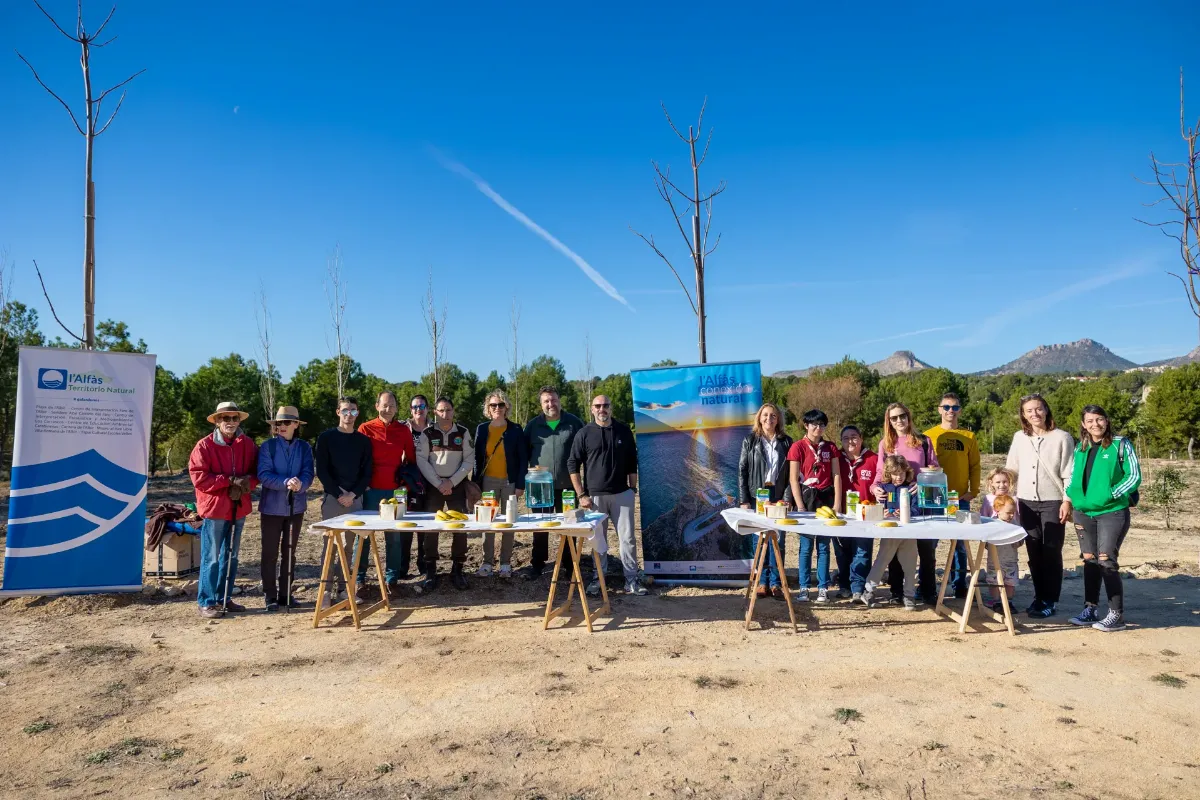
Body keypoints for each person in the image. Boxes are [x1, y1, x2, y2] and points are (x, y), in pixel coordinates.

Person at [1065, 405, 1141, 632]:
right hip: (1083, 512)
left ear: (1106, 421)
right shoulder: (1081, 447)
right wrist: (1072, 497)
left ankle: (1116, 615)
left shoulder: (1120, 444)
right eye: (1090, 421)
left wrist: (1111, 494)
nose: (1095, 424)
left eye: (1099, 420)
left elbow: (1134, 475)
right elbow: (1073, 477)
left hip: (1112, 512)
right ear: (1083, 424)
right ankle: (1090, 609)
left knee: (1106, 560)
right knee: (1089, 559)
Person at [1005, 393, 1074, 619]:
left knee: (1052, 551)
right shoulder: (1019, 438)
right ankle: (1039, 596)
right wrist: (1001, 488)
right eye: (1029, 411)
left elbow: (1069, 473)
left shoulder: (1062, 437)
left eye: (1038, 409)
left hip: (1053, 501)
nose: (1035, 414)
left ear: (1046, 410)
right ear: (1023, 415)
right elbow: (1012, 469)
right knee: (1034, 551)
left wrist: (1067, 500)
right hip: (1026, 502)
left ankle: (1051, 600)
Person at [188, 402, 259, 619]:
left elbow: (257, 471)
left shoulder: (247, 444)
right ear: (217, 421)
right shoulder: (204, 446)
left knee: (232, 555)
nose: (230, 422)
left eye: (234, 418)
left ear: (239, 421)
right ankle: (207, 602)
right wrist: (228, 481)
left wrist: (249, 483)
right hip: (216, 509)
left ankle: (224, 598)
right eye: (225, 418)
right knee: (212, 557)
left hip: (238, 508)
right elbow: (199, 477)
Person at [569, 394, 642, 596]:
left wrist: (632, 489)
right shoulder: (584, 434)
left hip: (622, 494)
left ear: (611, 408)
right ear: (592, 409)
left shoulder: (624, 431)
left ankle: (632, 580)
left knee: (627, 539)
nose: (602, 409)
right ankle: (598, 579)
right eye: (598, 406)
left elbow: (631, 462)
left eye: (605, 405)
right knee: (598, 540)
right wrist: (581, 494)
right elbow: (572, 464)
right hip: (594, 498)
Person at [870, 402, 939, 604]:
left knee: (926, 550)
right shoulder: (885, 444)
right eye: (894, 418)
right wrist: (876, 489)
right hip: (895, 506)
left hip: (922, 504)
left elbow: (935, 469)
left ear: (908, 417)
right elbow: (879, 475)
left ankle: (928, 591)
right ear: (888, 421)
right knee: (895, 549)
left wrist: (923, 482)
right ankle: (897, 592)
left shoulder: (924, 441)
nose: (899, 420)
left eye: (902, 416)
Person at [523, 386, 585, 579]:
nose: (551, 404)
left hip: (567, 486)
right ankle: (537, 565)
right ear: (541, 404)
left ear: (560, 400)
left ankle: (569, 565)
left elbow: (585, 452)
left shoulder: (574, 423)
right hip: (540, 487)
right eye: (546, 401)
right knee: (541, 527)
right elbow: (524, 453)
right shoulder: (533, 426)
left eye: (553, 400)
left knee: (568, 528)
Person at [315, 396, 373, 601]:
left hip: (355, 500)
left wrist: (353, 494)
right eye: (345, 410)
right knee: (330, 547)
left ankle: (343, 590)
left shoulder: (363, 441)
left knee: (348, 548)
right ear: (338, 412)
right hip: (332, 499)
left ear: (358, 413)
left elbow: (367, 472)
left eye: (354, 411)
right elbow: (321, 469)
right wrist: (338, 494)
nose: (350, 415)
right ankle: (325, 593)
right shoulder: (326, 438)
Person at [358, 391, 417, 592]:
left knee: (394, 536)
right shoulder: (365, 428)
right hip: (370, 490)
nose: (388, 409)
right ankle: (359, 579)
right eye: (385, 405)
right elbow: (358, 460)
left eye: (392, 405)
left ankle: (392, 579)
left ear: (396, 408)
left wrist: (405, 486)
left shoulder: (403, 430)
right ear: (377, 406)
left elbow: (411, 460)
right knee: (364, 535)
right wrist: (361, 484)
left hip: (394, 491)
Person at [256, 406, 314, 612]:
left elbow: (308, 472)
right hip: (271, 509)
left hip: (295, 508)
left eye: (286, 422)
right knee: (269, 553)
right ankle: (270, 596)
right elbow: (263, 474)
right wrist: (285, 482)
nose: (281, 426)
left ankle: (285, 594)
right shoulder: (267, 447)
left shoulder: (305, 448)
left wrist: (302, 485)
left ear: (296, 425)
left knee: (290, 552)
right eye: (278, 423)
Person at [415, 396, 475, 591]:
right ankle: (431, 572)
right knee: (432, 528)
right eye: (441, 410)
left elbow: (468, 461)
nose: (445, 414)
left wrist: (452, 481)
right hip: (435, 486)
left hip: (457, 485)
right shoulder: (427, 433)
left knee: (460, 527)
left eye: (448, 410)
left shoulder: (464, 433)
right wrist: (439, 483)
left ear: (453, 411)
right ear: (435, 412)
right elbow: (422, 460)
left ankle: (458, 570)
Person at [925, 392, 980, 599]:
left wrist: (973, 491)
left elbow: (975, 466)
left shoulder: (969, 437)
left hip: (959, 499)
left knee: (960, 545)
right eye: (946, 407)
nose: (950, 411)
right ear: (939, 409)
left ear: (960, 410)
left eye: (955, 407)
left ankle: (959, 585)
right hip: (934, 496)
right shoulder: (929, 435)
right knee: (930, 543)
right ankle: (927, 584)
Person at [737, 403, 794, 599]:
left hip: (778, 496)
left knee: (779, 540)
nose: (769, 419)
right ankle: (762, 582)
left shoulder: (787, 442)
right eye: (765, 415)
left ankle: (777, 583)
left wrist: (787, 498)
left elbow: (790, 474)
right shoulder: (750, 440)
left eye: (773, 416)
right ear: (759, 418)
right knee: (760, 540)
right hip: (757, 497)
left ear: (778, 419)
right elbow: (742, 471)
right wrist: (744, 499)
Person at [787, 409, 843, 603]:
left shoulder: (831, 447)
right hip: (807, 496)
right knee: (805, 547)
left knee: (824, 547)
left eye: (822, 425)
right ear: (806, 425)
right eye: (814, 425)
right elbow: (794, 479)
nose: (818, 428)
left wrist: (836, 503)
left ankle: (822, 588)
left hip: (826, 497)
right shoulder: (797, 447)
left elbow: (836, 475)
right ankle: (803, 588)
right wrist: (800, 506)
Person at [474, 389, 529, 578]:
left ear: (506, 407)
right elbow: (477, 458)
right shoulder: (482, 429)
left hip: (509, 482)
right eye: (493, 405)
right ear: (488, 409)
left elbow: (523, 459)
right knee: (487, 522)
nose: (497, 408)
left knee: (508, 522)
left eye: (501, 405)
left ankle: (505, 563)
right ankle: (487, 562)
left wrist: (520, 484)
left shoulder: (515, 429)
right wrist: (475, 484)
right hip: (487, 482)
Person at [860, 455, 920, 610]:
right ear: (888, 473)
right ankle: (868, 591)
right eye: (895, 474)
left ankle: (909, 596)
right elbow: (878, 507)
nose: (898, 477)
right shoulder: (884, 487)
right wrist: (883, 512)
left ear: (906, 472)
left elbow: (917, 509)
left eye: (901, 473)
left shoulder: (911, 488)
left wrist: (908, 512)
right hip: (891, 531)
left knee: (910, 565)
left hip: (909, 533)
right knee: (881, 561)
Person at [837, 425, 877, 602]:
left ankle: (858, 588)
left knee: (862, 552)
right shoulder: (836, 458)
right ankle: (844, 585)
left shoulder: (874, 459)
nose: (850, 441)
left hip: (865, 516)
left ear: (861, 439)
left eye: (854, 437)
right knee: (842, 552)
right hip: (842, 515)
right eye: (846, 438)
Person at [403, 394, 432, 575]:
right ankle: (402, 567)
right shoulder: (403, 428)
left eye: (421, 406)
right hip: (408, 481)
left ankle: (424, 564)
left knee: (426, 526)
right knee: (406, 525)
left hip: (429, 480)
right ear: (410, 410)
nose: (418, 410)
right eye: (415, 407)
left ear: (427, 409)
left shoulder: (434, 429)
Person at [982, 494, 1021, 612]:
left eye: (1013, 512)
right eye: (1008, 512)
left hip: (1011, 560)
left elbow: (1020, 539)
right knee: (994, 581)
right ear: (997, 510)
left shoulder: (1014, 524)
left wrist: (1018, 542)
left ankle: (1008, 601)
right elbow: (984, 540)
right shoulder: (991, 524)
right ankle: (996, 601)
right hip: (995, 560)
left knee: (1010, 581)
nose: (1011, 515)